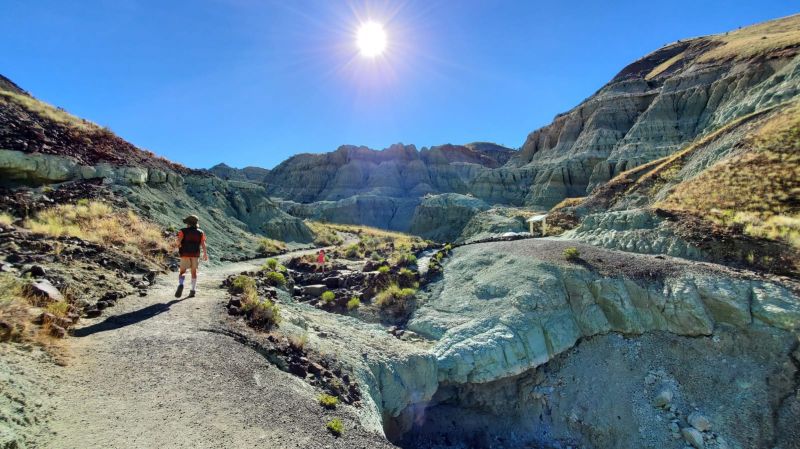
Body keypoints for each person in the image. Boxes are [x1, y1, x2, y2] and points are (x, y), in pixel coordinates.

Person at [175, 215, 208, 298]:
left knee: (182, 272)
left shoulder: (182, 231)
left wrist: (178, 246)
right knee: (194, 272)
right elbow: (203, 244)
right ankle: (193, 290)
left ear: (188, 223)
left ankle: (181, 284)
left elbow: (178, 242)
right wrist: (205, 254)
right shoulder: (201, 232)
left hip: (185, 254)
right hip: (195, 255)